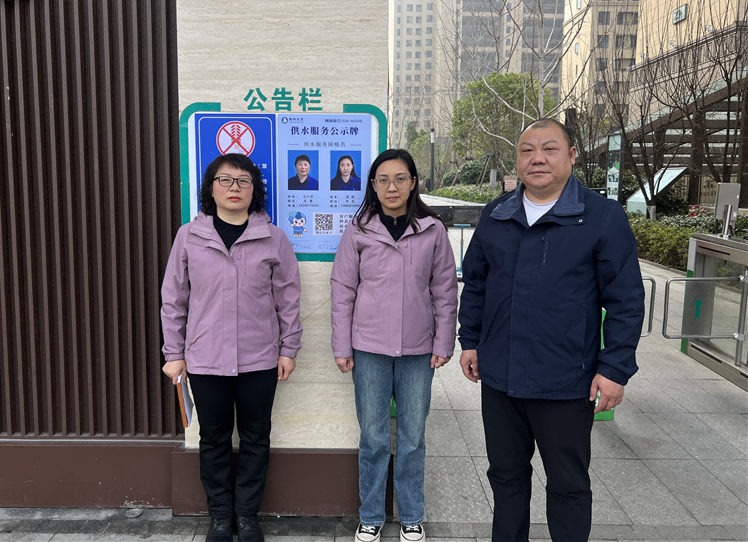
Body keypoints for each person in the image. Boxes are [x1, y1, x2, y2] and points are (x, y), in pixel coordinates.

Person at [457, 118, 644, 542]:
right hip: (501, 378)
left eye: (549, 149)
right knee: (506, 478)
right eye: (527, 150)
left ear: (572, 156)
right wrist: (470, 340)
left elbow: (626, 300)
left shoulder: (601, 217)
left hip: (566, 381)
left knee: (568, 485)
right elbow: (477, 284)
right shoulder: (496, 214)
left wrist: (615, 368)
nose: (537, 158)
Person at [161, 153, 303, 542]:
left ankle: (248, 516)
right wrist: (174, 354)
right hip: (205, 359)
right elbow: (174, 299)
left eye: (243, 181)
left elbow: (288, 298)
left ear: (255, 190)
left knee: (256, 437)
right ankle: (221, 517)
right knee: (214, 439)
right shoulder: (189, 236)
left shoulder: (273, 238)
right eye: (225, 180)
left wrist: (289, 348)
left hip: (260, 358)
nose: (234, 188)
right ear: (210, 188)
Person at [331, 149, 458, 542]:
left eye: (400, 178)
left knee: (412, 436)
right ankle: (371, 515)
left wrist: (444, 341)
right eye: (383, 179)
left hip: (418, 350)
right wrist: (342, 345)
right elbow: (342, 290)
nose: (392, 187)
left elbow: (445, 290)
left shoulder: (432, 230)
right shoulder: (359, 230)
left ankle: (411, 515)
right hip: (369, 347)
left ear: (413, 182)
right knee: (372, 436)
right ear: (373, 185)